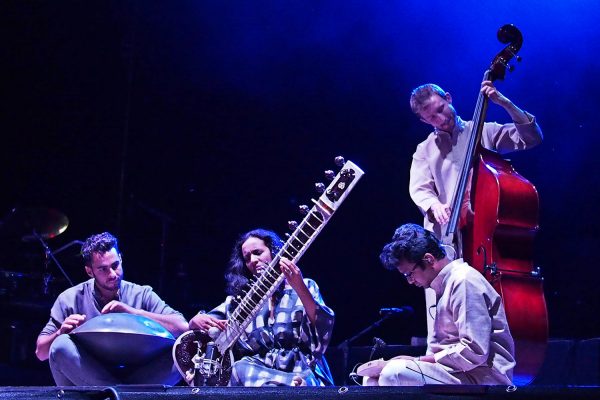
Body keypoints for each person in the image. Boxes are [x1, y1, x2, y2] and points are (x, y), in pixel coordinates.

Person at [174, 228, 334, 387]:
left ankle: (291, 385)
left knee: (242, 371)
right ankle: (286, 385)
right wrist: (196, 320)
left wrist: (298, 285)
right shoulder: (239, 303)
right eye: (247, 258)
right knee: (239, 368)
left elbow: (322, 326)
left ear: (274, 250)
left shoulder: (305, 286)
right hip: (259, 376)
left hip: (301, 370)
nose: (253, 260)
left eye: (258, 252)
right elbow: (208, 324)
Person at [362, 223, 515, 386]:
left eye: (409, 274)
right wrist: (418, 362)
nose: (410, 281)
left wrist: (418, 360)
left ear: (429, 259)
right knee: (372, 379)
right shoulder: (441, 285)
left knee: (394, 373)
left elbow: (474, 352)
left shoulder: (464, 281)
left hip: (482, 377)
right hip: (456, 373)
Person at [35, 232, 189, 386]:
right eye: (103, 269)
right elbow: (41, 353)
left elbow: (183, 328)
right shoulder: (69, 299)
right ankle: (117, 394)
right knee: (60, 345)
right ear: (89, 271)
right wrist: (60, 332)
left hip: (138, 376)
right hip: (88, 377)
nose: (112, 274)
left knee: (182, 351)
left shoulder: (142, 294)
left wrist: (133, 313)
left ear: (121, 259)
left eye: (115, 265)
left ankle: (115, 395)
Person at [409, 80, 543, 240]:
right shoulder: (424, 150)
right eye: (431, 117)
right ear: (424, 121)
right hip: (450, 236)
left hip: (489, 229)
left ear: (448, 98)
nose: (441, 119)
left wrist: (506, 103)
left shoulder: (484, 131)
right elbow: (419, 189)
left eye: (441, 109)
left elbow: (532, 138)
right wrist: (433, 204)